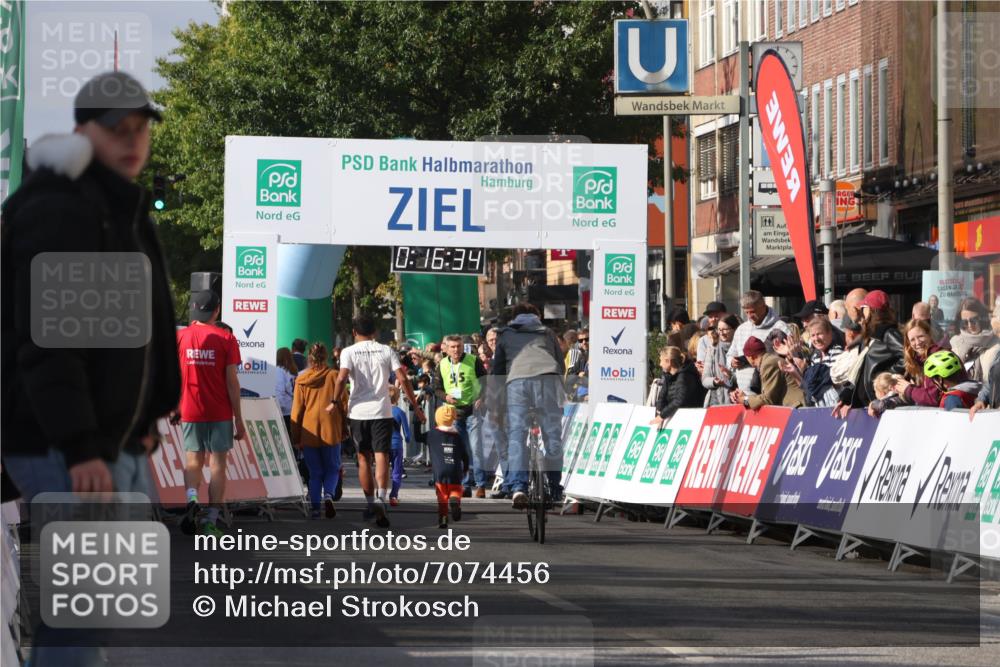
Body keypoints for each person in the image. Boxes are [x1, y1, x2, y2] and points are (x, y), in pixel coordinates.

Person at [1, 71, 181, 503]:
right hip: (67, 450)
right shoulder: (65, 209)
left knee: (120, 573)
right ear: (82, 132)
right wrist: (79, 445)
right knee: (99, 573)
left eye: (140, 128)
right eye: (117, 129)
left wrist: (142, 426)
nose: (132, 140)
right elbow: (52, 342)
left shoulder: (117, 208)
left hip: (112, 443)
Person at [331, 314, 425, 528]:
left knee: (364, 458)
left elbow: (341, 378)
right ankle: (382, 497)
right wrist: (416, 407)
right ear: (374, 332)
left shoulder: (348, 352)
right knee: (382, 456)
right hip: (382, 411)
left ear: (354, 332)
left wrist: (334, 401)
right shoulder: (386, 350)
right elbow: (401, 378)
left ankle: (371, 501)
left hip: (358, 412)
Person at [175, 290, 245, 537]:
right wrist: (239, 419)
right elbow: (232, 382)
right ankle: (210, 522)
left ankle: (192, 498)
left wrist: (175, 406)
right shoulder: (226, 339)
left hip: (190, 410)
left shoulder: (181, 337)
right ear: (217, 311)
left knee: (193, 461)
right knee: (218, 466)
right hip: (220, 412)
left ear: (195, 309)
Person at [490, 303, 565, 509]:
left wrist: (496, 403)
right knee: (552, 436)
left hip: (517, 383)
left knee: (517, 435)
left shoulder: (505, 334)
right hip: (547, 381)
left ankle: (518, 488)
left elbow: (497, 372)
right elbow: (561, 363)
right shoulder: (547, 332)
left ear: (514, 317)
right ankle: (555, 487)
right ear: (537, 316)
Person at [289, 343, 346, 518]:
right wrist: (344, 429)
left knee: (315, 472)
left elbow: (297, 410)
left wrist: (296, 437)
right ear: (326, 356)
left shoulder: (302, 380)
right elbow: (344, 405)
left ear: (309, 358)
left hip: (309, 428)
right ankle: (328, 495)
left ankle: (315, 508)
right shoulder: (335, 376)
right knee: (332, 467)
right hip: (331, 427)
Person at [435, 334, 489, 497]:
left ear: (462, 346)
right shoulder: (442, 364)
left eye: (458, 346)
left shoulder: (473, 360)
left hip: (472, 410)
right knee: (459, 450)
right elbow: (436, 387)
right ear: (447, 348)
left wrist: (482, 397)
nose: (456, 350)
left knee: (476, 448)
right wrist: (446, 397)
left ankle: (480, 485)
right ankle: (464, 485)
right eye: (452, 347)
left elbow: (486, 381)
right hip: (453, 412)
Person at [727, 290, 789, 392]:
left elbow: (787, 358)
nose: (750, 316)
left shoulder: (780, 327)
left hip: (771, 390)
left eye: (753, 311)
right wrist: (732, 362)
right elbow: (730, 354)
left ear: (763, 306)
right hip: (744, 392)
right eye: (746, 312)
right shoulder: (741, 329)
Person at [730, 337, 804, 409]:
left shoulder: (768, 364)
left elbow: (768, 399)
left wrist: (744, 400)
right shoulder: (769, 360)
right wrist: (745, 397)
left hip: (798, 409)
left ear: (751, 357)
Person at [428, 405, 468, 529]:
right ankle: (455, 499)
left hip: (439, 473)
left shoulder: (431, 434)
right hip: (455, 471)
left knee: (442, 497)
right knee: (455, 489)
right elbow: (465, 455)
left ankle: (443, 518)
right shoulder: (458, 436)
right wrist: (465, 468)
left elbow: (418, 436)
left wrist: (418, 421)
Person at [893, 319, 944, 407]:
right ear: (908, 343)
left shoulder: (938, 357)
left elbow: (933, 398)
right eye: (912, 340)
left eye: (920, 336)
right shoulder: (915, 361)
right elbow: (914, 395)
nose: (917, 343)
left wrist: (909, 389)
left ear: (929, 335)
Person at [653, 347, 704, 424]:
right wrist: (659, 413)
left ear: (668, 361)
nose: (660, 364)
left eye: (661, 361)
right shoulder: (668, 376)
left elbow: (679, 400)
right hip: (676, 419)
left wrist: (662, 416)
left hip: (689, 420)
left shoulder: (684, 376)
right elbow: (662, 396)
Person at [949, 297, 998, 377]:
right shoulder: (955, 343)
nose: (970, 325)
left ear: (982, 319)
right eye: (964, 322)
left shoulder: (996, 344)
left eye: (974, 320)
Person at [801, 318, 844, 407]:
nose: (816, 339)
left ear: (830, 334)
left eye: (819, 334)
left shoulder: (837, 352)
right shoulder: (815, 356)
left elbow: (833, 381)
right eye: (812, 335)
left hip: (836, 405)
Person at [701, 314, 739, 406]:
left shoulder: (741, 349)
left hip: (735, 400)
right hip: (715, 400)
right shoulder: (712, 349)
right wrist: (714, 381)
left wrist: (731, 376)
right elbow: (705, 379)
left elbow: (746, 379)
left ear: (735, 329)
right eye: (719, 329)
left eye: (725, 329)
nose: (721, 332)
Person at [388, 386, 411, 506]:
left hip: (382, 445)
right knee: (397, 471)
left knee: (381, 471)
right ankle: (393, 496)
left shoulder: (381, 411)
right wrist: (407, 440)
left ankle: (379, 494)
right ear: (397, 398)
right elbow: (407, 433)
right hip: (397, 444)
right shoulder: (400, 412)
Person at [695, 302, 728, 372]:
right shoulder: (703, 340)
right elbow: (702, 362)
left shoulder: (732, 334)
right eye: (710, 317)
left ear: (725, 315)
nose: (713, 319)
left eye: (716, 316)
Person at [275, 347, 298, 432]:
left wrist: (278, 409)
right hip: (293, 408)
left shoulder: (279, 370)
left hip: (283, 411)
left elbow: (279, 390)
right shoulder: (293, 370)